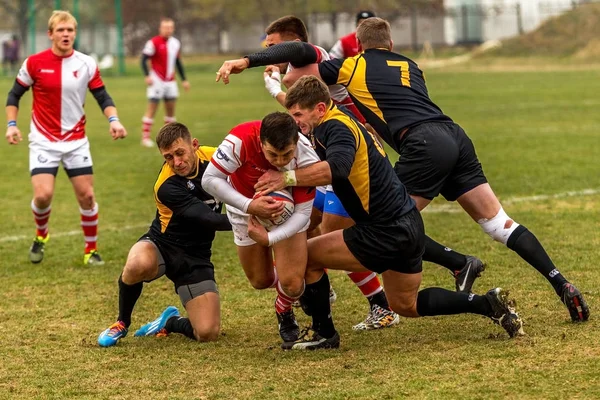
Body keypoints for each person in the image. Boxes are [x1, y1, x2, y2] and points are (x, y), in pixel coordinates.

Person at [215, 17, 589, 323]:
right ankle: (561, 282)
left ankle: (454, 266)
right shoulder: (411, 65)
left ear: (359, 47)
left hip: (420, 144)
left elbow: (298, 54)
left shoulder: (353, 64)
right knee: (498, 224)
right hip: (454, 134)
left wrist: (248, 61)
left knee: (389, 219)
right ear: (391, 46)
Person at [253, 76, 525, 349]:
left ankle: (325, 334)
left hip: (383, 229)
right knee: (405, 304)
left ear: (320, 110)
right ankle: (487, 303)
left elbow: (338, 168)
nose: (294, 121)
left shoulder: (335, 128)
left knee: (308, 257)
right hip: (408, 222)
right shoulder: (338, 117)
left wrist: (285, 179)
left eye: (298, 114)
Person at [261, 15, 400, 331]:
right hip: (329, 162)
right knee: (308, 227)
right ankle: (318, 285)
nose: (269, 53)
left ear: (293, 44)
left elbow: (303, 109)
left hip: (346, 164)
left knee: (332, 240)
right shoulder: (298, 72)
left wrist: (271, 84)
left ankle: (381, 305)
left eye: (272, 47)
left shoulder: (312, 62)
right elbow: (299, 113)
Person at [4, 10, 127, 266]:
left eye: (70, 30)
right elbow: (14, 95)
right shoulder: (34, 63)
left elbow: (102, 96)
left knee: (87, 196)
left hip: (76, 142)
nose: (66, 34)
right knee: (42, 196)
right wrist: (11, 125)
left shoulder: (86, 64)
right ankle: (41, 235)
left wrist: (114, 120)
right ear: (50, 34)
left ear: (75, 33)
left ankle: (90, 251)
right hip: (43, 141)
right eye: (60, 30)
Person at [97, 122, 231, 347]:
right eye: (169, 157)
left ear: (194, 145)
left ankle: (170, 321)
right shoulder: (166, 185)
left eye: (180, 153)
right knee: (136, 264)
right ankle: (122, 322)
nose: (177, 162)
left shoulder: (218, 160)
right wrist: (252, 219)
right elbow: (208, 219)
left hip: (195, 256)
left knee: (207, 333)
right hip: (162, 245)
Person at [201, 112, 320, 345]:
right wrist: (250, 205)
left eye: (286, 154)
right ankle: (290, 266)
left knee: (293, 284)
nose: (279, 160)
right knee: (260, 280)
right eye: (272, 154)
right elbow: (209, 179)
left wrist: (270, 238)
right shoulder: (240, 139)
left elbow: (304, 214)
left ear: (297, 141)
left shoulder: (306, 155)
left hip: (287, 210)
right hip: (243, 208)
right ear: (260, 143)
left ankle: (284, 308)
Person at [140, 17, 190, 148]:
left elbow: (178, 62)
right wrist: (147, 75)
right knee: (152, 108)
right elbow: (143, 59)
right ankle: (145, 138)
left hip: (170, 81)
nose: (168, 30)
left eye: (170, 27)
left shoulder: (175, 43)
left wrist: (184, 79)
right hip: (156, 80)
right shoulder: (153, 42)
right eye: (165, 27)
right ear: (160, 28)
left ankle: (168, 138)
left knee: (170, 110)